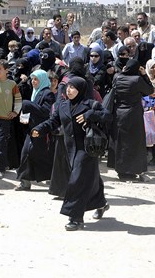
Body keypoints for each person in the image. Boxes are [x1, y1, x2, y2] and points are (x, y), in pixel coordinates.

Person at [32, 77, 109, 231]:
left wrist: (90, 115)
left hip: (88, 149)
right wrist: (40, 128)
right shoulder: (62, 105)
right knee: (87, 179)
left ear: (80, 89)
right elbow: (53, 121)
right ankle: (100, 203)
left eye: (73, 87)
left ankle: (75, 217)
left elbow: (107, 115)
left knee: (76, 181)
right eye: (68, 87)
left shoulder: (89, 104)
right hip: (70, 149)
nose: (69, 90)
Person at [109, 59, 154, 180]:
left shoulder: (117, 77)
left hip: (118, 113)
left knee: (120, 142)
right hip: (133, 115)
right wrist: (144, 75)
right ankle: (131, 171)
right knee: (134, 143)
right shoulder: (137, 80)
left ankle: (120, 170)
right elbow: (150, 90)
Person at [15, 69, 56, 191]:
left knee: (36, 154)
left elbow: (46, 111)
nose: (33, 81)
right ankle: (25, 182)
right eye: (32, 79)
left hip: (41, 130)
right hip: (32, 128)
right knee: (27, 153)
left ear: (42, 80)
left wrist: (29, 105)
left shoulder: (47, 93)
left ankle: (51, 179)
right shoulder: (36, 92)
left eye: (36, 79)